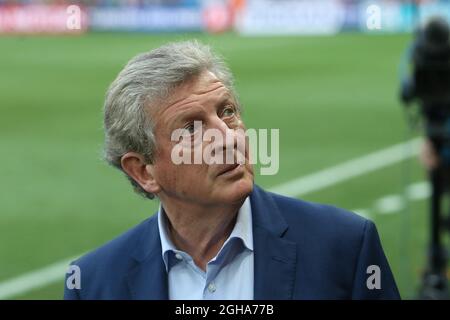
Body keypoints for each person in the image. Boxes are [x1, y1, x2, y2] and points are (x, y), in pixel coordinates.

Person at [64, 40, 400, 300]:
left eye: (227, 112)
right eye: (192, 129)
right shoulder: (93, 283)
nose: (228, 137)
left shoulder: (346, 248)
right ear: (144, 172)